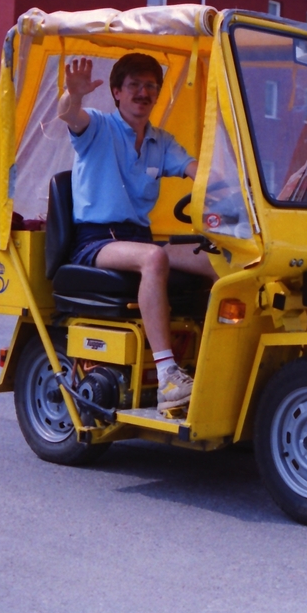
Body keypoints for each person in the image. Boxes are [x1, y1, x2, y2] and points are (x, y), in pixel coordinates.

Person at [58, 52, 217, 412]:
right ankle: (168, 377)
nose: (143, 93)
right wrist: (75, 94)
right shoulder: (97, 127)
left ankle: (215, 359)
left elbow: (201, 173)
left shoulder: (161, 142)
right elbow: (69, 114)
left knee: (216, 260)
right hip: (96, 240)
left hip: (136, 238)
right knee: (155, 257)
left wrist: (241, 188)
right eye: (134, 86)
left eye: (151, 86)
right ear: (116, 92)